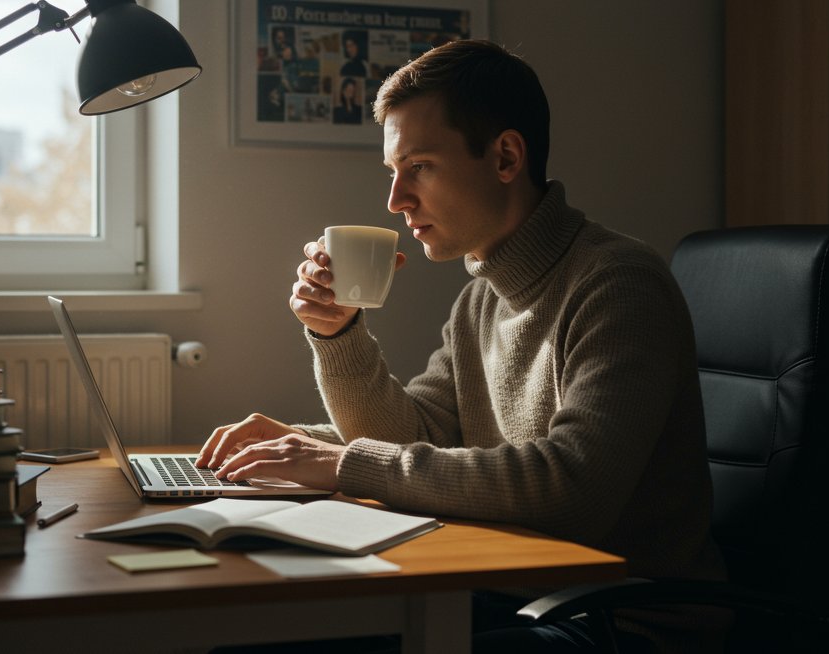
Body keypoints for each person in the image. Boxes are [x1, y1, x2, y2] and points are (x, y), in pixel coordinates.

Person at [198, 40, 727, 652]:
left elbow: (572, 489)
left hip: (622, 622)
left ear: (505, 156)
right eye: (393, 173)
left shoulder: (619, 283)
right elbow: (415, 438)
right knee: (259, 636)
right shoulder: (482, 299)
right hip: (513, 595)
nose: (396, 200)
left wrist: (342, 463)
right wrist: (338, 334)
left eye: (419, 166)